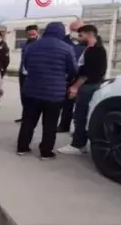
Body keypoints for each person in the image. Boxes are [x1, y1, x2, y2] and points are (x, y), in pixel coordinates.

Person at [16, 22, 78, 160]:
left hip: (31, 90)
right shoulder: (66, 48)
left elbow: (25, 65)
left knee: (28, 121)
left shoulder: (32, 46)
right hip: (54, 93)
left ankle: (22, 147)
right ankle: (45, 152)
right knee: (50, 124)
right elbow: (73, 70)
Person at [58, 25, 107, 155]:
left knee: (80, 115)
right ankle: (81, 142)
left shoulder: (94, 50)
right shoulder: (93, 49)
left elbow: (87, 73)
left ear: (90, 34)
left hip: (87, 86)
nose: (78, 38)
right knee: (81, 114)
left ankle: (77, 145)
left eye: (81, 35)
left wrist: (75, 87)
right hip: (90, 85)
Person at [57, 20, 86, 133]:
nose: (76, 32)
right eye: (74, 30)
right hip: (66, 76)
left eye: (79, 30)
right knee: (66, 103)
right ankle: (64, 125)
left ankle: (80, 128)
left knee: (81, 104)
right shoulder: (63, 41)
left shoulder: (86, 43)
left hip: (82, 77)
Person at [15, 25, 39, 123]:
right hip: (23, 73)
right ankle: (25, 116)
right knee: (23, 95)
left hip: (34, 74)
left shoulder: (41, 43)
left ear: (37, 32)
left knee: (32, 96)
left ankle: (31, 117)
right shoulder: (25, 44)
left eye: (33, 33)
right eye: (29, 33)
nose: (31, 35)